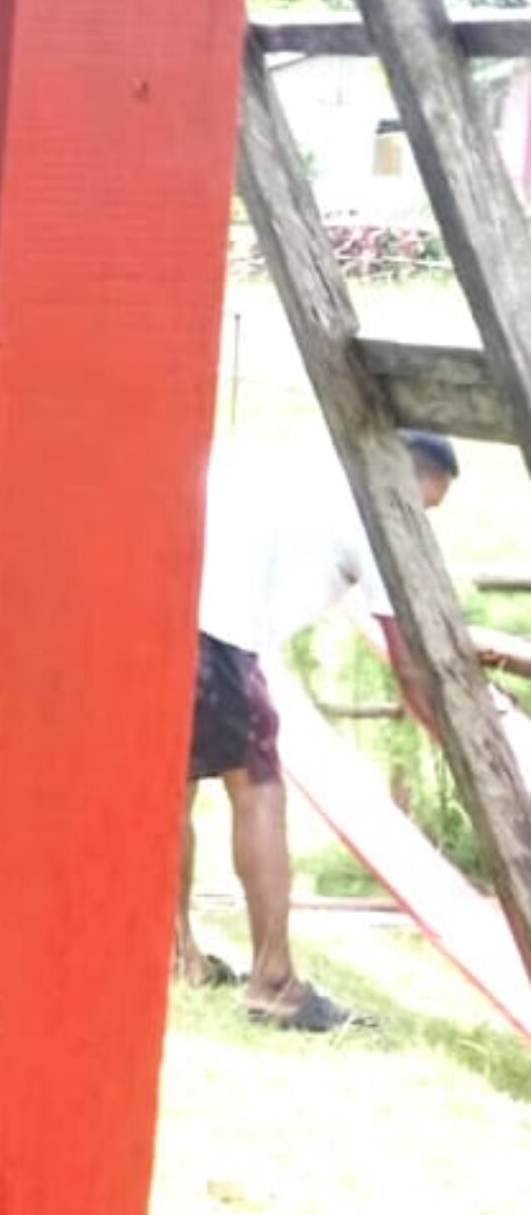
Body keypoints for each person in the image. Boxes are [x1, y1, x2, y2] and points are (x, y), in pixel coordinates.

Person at [178, 427, 456, 1032]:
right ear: (405, 478)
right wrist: (453, 745)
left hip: (163, 601)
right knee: (258, 790)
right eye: (424, 506)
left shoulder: (302, 463)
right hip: (222, 633)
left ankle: (178, 955)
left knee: (172, 789)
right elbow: (407, 658)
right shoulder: (381, 516)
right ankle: (274, 982)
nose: (420, 525)